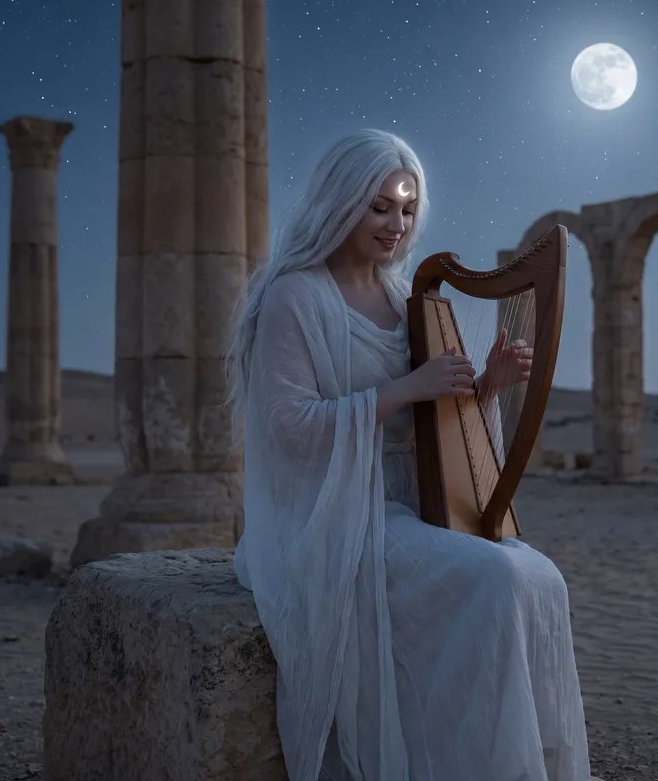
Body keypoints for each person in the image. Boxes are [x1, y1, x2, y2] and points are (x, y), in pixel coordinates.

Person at [227, 128, 593, 781]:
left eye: (406, 207)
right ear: (339, 201)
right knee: (494, 578)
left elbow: (430, 423)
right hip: (336, 515)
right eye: (379, 206)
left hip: (414, 503)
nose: (396, 224)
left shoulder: (408, 300)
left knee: (540, 578)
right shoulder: (297, 297)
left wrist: (486, 387)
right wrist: (402, 390)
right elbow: (288, 427)